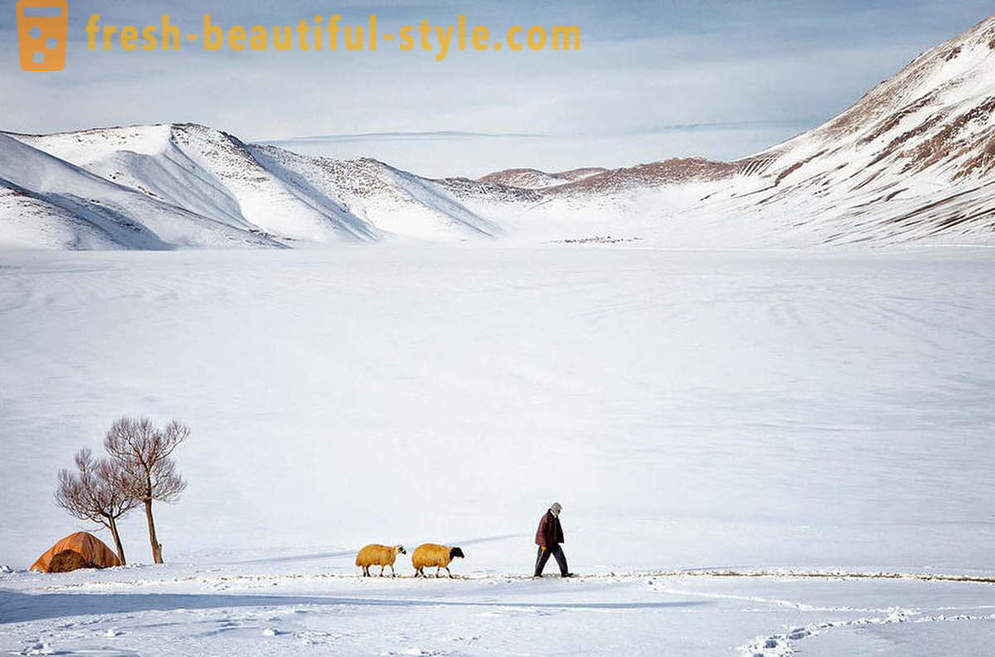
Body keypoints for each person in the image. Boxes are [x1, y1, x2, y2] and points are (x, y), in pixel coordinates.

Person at [534, 502, 573, 577]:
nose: (559, 512)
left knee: (561, 558)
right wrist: (543, 544)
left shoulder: (555, 518)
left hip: (554, 543)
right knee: (541, 559)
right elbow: (541, 531)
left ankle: (565, 573)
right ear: (554, 509)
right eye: (558, 510)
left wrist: (559, 539)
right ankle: (537, 574)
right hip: (546, 543)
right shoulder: (546, 517)